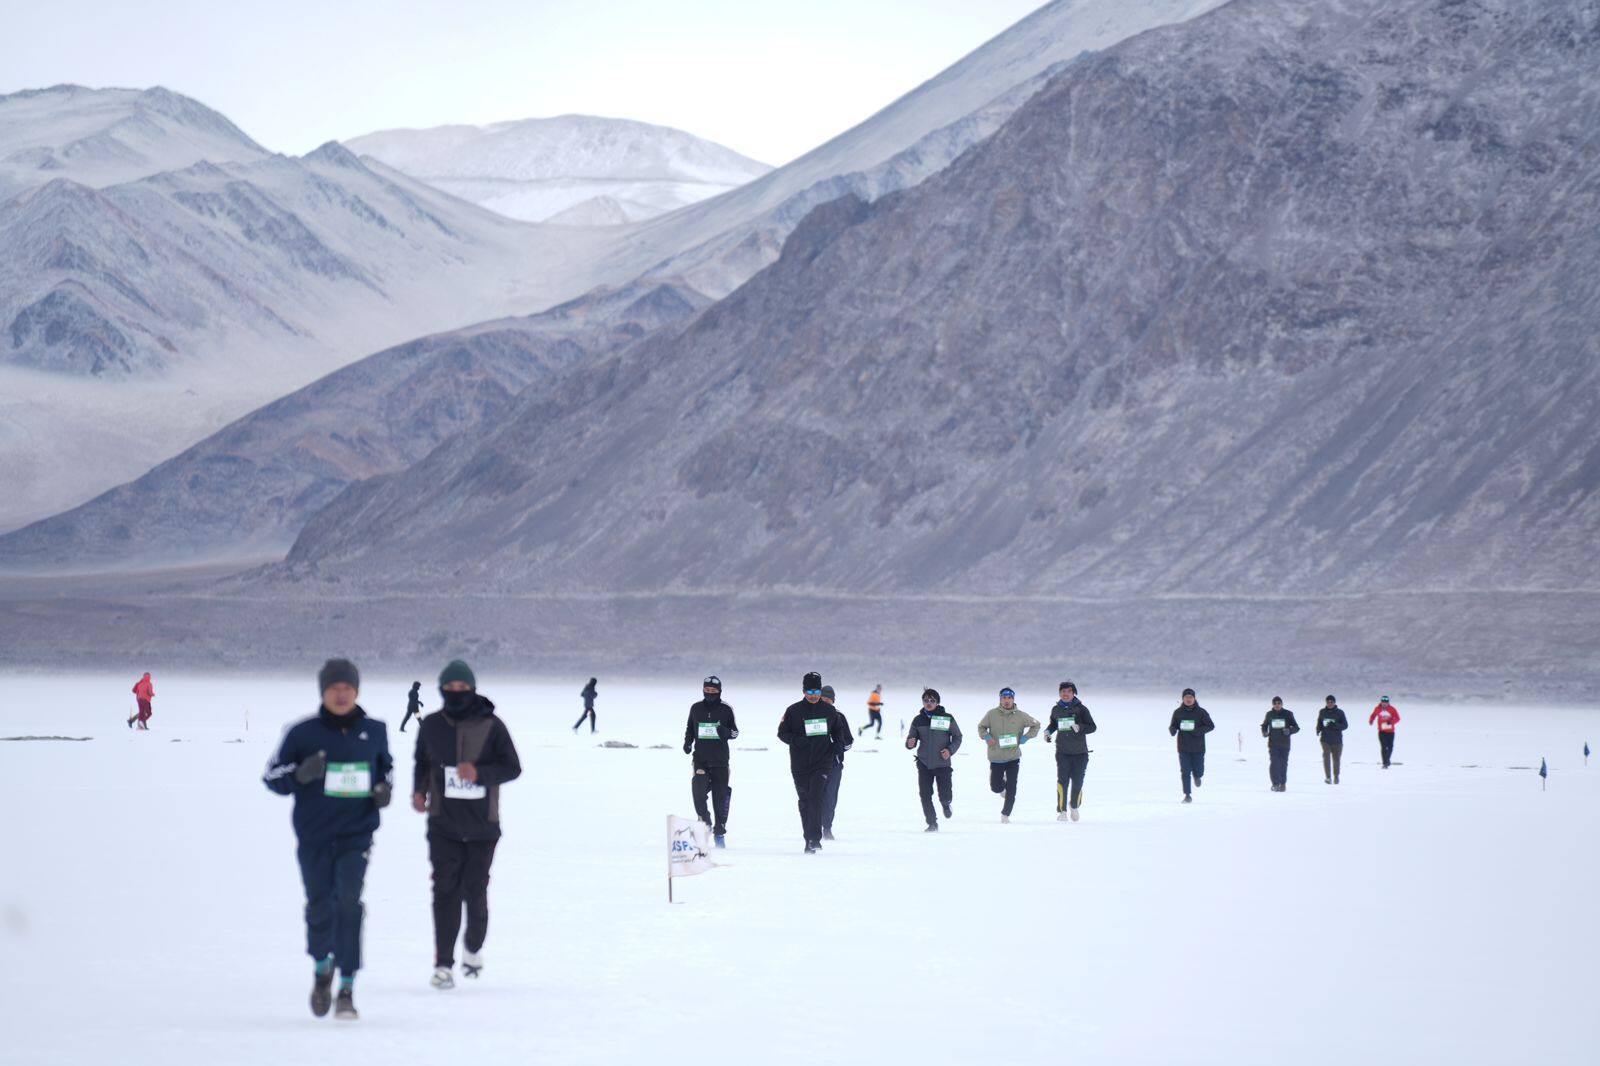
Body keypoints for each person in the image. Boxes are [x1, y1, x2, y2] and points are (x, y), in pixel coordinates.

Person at [262, 658, 393, 1021]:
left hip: (357, 834)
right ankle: (323, 969)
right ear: (323, 691)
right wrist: (301, 775)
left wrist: (384, 791)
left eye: (347, 688)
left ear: (357, 691)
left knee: (349, 903)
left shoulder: (375, 731)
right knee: (320, 904)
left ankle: (347, 987)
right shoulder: (302, 733)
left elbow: (386, 770)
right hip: (315, 836)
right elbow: (273, 777)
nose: (341, 694)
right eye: (334, 688)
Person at [411, 660, 521, 990]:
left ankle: (473, 948)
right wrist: (420, 791)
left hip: (482, 825)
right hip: (442, 823)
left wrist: (481, 774)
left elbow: (513, 767)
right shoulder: (430, 724)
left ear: (473, 689)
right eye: (450, 688)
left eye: (462, 688)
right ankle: (443, 964)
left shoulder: (492, 725)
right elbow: (422, 761)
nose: (456, 693)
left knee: (474, 891)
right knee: (444, 892)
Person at [777, 671, 849, 853]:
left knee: (816, 797)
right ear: (803, 691)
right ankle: (808, 836)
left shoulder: (829, 711)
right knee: (805, 800)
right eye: (809, 691)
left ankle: (814, 839)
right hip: (800, 764)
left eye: (816, 691)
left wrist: (837, 746)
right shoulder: (793, 711)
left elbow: (839, 733)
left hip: (822, 762)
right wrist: (796, 740)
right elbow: (782, 733)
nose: (813, 695)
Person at [683, 675, 738, 848]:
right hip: (700, 759)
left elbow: (735, 733)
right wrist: (687, 742)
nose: (710, 694)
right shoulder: (696, 708)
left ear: (719, 692)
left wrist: (724, 731)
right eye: (707, 691)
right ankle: (705, 820)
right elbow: (690, 728)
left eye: (713, 691)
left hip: (720, 761)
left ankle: (719, 832)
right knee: (698, 792)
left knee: (719, 799)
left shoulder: (726, 709)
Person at [976, 687, 1040, 823]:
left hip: (1013, 757)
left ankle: (1006, 814)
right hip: (996, 756)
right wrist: (987, 737)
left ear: (1013, 699)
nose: (1006, 700)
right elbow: (981, 727)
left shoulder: (1021, 715)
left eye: (1009, 698)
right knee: (995, 787)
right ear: (1000, 699)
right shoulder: (991, 714)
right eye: (1004, 698)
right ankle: (1001, 786)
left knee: (1012, 787)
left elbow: (1036, 725)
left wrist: (1026, 737)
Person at [906, 689, 962, 831]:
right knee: (925, 794)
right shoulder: (918, 720)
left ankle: (946, 803)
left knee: (944, 794)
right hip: (924, 763)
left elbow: (957, 737)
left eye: (932, 700)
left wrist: (949, 750)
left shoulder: (946, 718)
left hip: (942, 763)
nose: (929, 703)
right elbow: (911, 738)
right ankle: (932, 823)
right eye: (926, 700)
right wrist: (909, 743)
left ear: (937, 702)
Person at [1044, 681, 1096, 821]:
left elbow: (1093, 727)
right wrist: (1048, 731)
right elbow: (1054, 724)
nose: (1065, 694)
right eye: (1062, 691)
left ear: (1074, 693)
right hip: (1062, 752)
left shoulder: (1081, 709)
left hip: (1080, 753)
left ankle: (1074, 806)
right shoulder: (1056, 709)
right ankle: (1062, 811)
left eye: (1068, 691)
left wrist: (1080, 727)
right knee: (1062, 781)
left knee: (1077, 782)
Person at [818, 685, 854, 840]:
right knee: (814, 797)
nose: (825, 702)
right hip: (814, 764)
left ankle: (827, 828)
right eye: (823, 699)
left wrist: (836, 749)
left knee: (830, 798)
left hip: (834, 765)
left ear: (833, 701)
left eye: (828, 699)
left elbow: (849, 741)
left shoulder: (839, 716)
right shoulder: (811, 715)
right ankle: (814, 827)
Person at [1168, 688, 1215, 803]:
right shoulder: (1178, 713)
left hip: (1198, 747)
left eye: (1190, 697)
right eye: (1186, 698)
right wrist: (1172, 729)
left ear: (1194, 698)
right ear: (1182, 699)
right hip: (1183, 747)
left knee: (1199, 770)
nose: (1188, 699)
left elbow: (1211, 726)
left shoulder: (1201, 712)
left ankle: (1197, 776)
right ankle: (1187, 795)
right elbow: (1173, 726)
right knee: (1185, 771)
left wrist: (1197, 731)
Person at [1260, 697, 1300, 792]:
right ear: (1273, 705)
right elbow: (1264, 725)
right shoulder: (1269, 714)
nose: (1277, 705)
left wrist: (1289, 730)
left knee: (1283, 764)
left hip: (1284, 744)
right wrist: (1264, 732)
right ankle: (1275, 784)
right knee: (1274, 763)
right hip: (1273, 743)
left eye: (1279, 703)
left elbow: (1296, 727)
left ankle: (1282, 784)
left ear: (1282, 704)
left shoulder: (1288, 714)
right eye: (1275, 703)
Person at [1315, 695, 1348, 784]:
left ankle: (1336, 776)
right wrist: (1318, 729)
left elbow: (1345, 725)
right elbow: (1319, 722)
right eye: (1328, 702)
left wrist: (1335, 725)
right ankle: (1328, 777)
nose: (1329, 704)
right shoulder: (1322, 712)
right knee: (1326, 757)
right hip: (1325, 739)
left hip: (1337, 740)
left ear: (1334, 702)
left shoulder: (1340, 713)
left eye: (1331, 702)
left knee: (1336, 759)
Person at [1369, 696, 1401, 768]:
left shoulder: (1392, 709)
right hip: (1382, 732)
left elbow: (1398, 718)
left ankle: (1387, 760)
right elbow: (1373, 715)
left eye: (1386, 702)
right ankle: (1385, 763)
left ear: (1388, 703)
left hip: (1391, 732)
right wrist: (1371, 720)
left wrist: (1391, 722)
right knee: (1384, 747)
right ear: (1381, 702)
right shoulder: (1377, 709)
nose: (1384, 704)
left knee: (1390, 747)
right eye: (1383, 702)